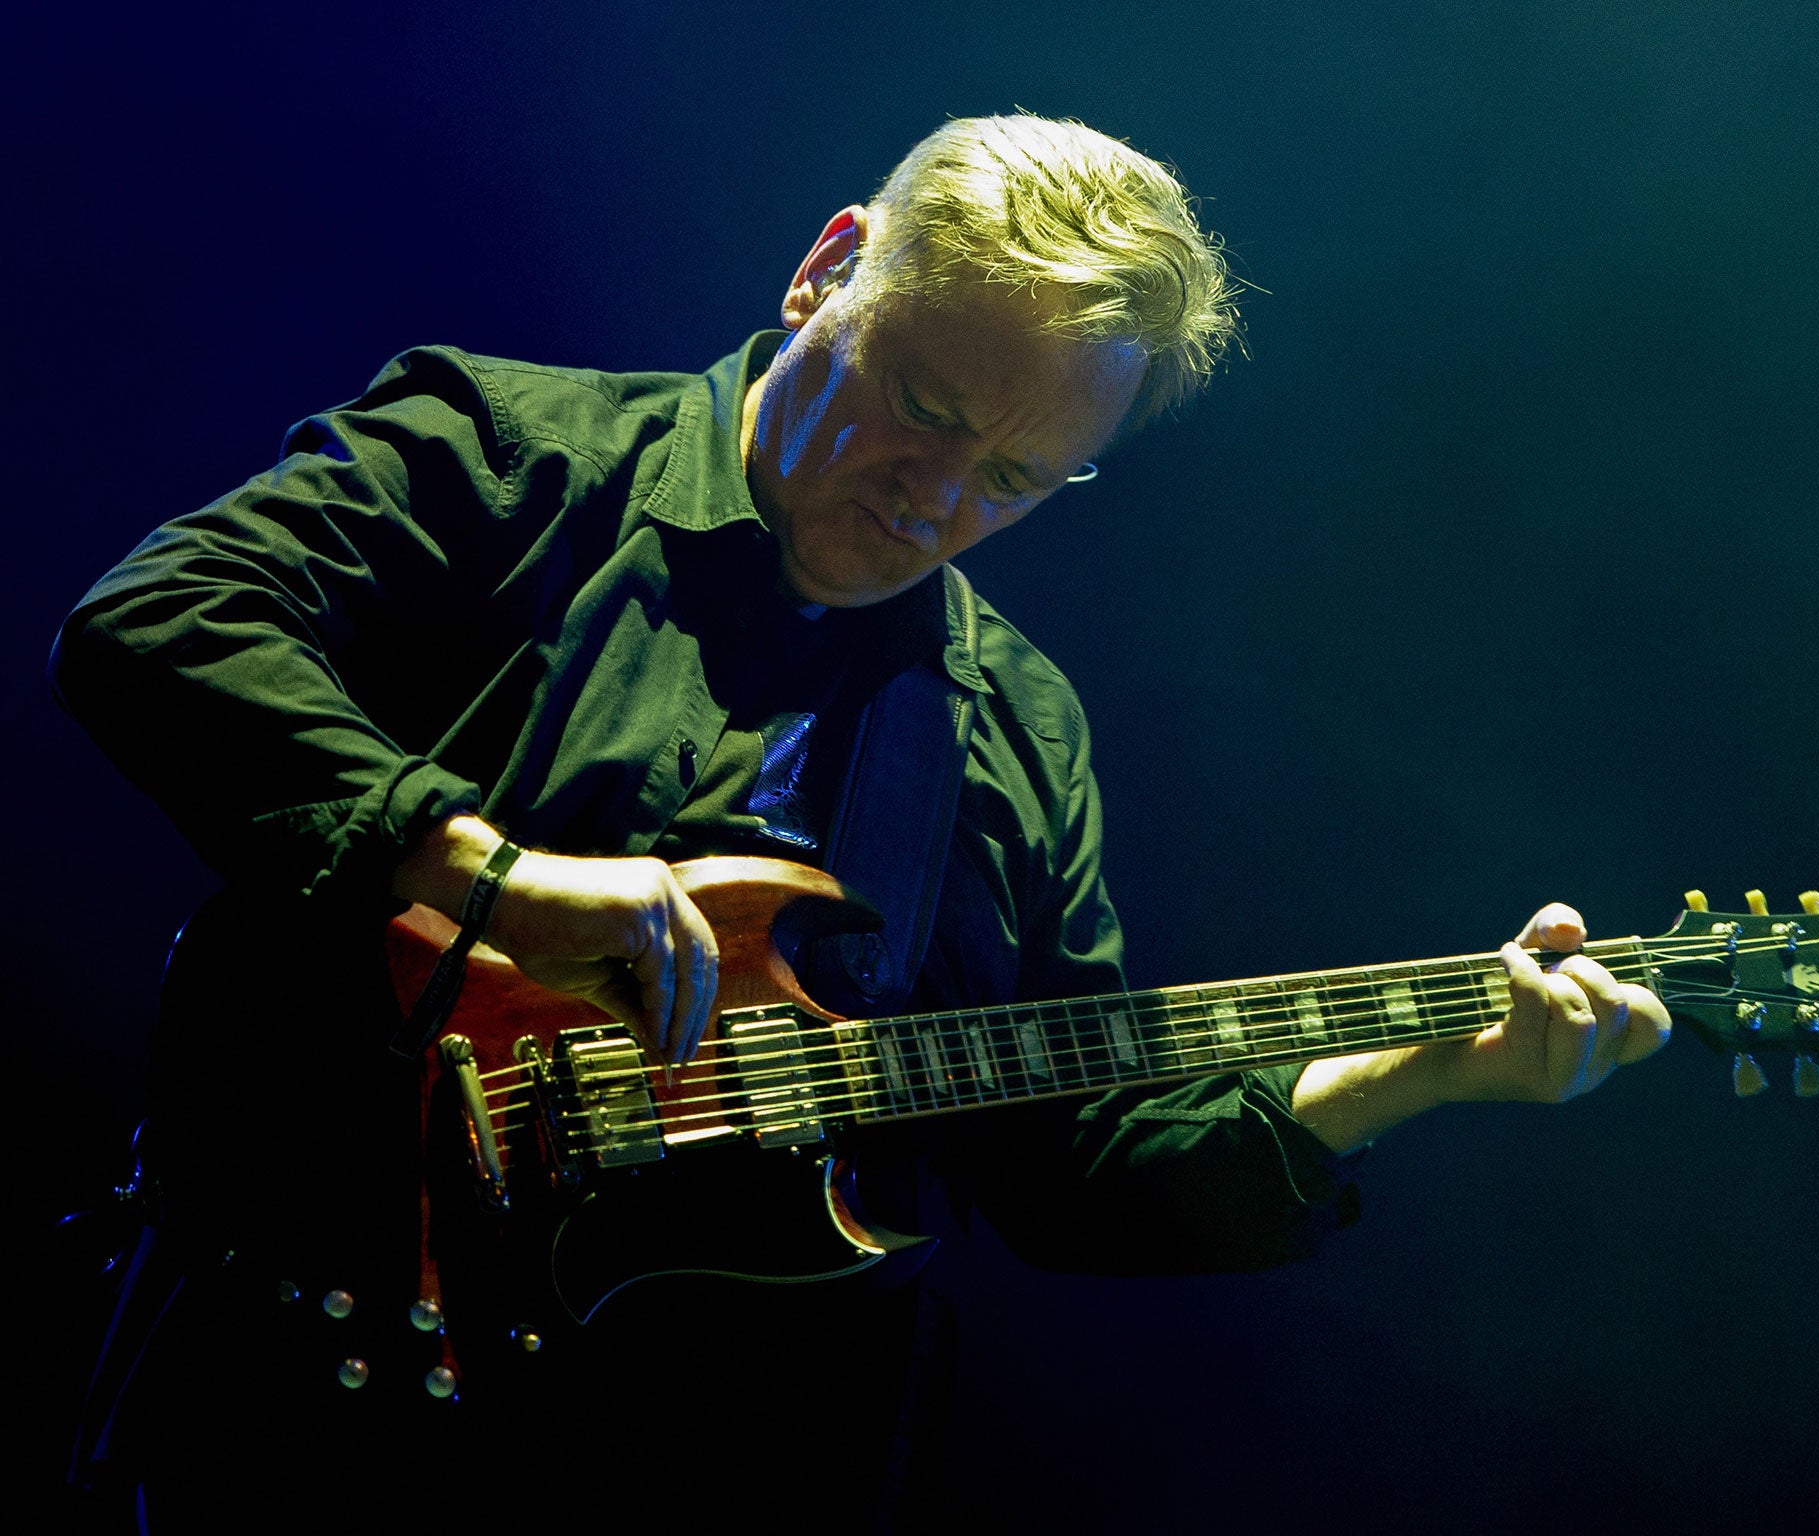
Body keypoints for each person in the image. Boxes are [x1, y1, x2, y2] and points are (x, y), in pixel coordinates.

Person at [52, 114, 1669, 1531]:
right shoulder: (510, 452)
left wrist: (1442, 1065)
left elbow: (1071, 1165)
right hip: (295, 1371)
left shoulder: (1013, 727)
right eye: (924, 406)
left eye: (1022, 479)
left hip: (722, 1454)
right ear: (827, 269)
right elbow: (155, 620)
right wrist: (491, 878)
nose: (938, 498)